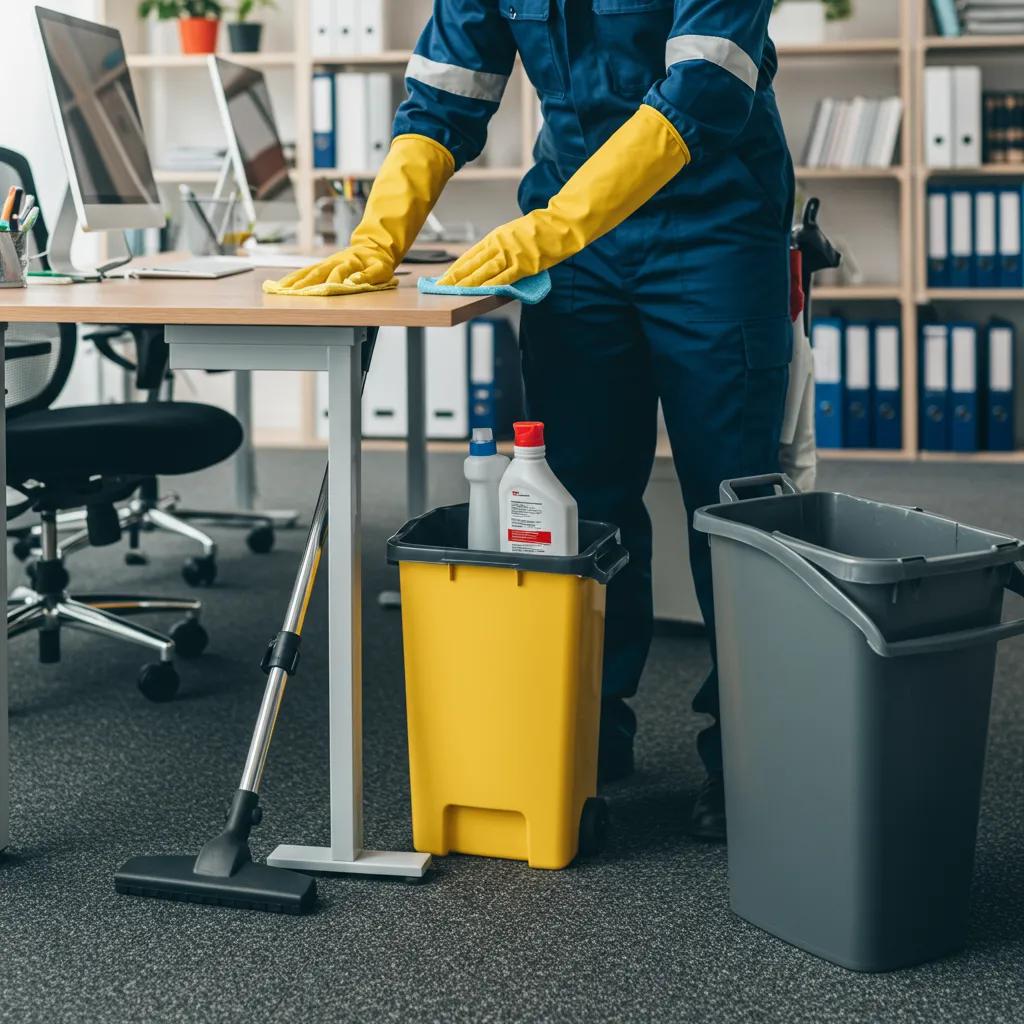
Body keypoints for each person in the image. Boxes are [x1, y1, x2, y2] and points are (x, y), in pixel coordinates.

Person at [268, 0, 794, 842]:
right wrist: (381, 233)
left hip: (713, 230)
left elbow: (707, 82)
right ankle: (589, 727)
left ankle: (755, 758)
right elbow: (448, 88)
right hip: (579, 249)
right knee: (578, 499)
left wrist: (559, 223)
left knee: (731, 508)